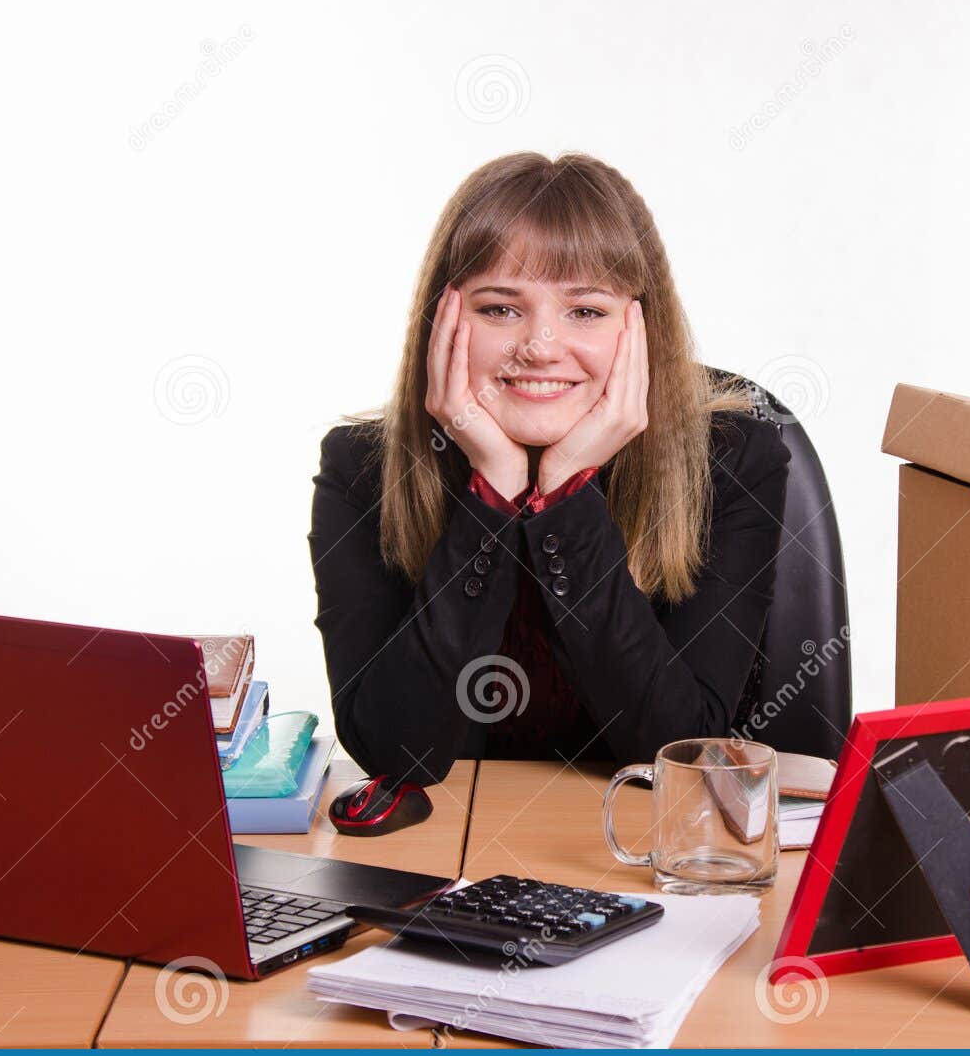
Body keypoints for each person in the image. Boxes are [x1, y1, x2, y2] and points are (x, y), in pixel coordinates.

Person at [308, 151, 790, 787]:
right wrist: (493, 494)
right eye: (499, 309)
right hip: (453, 852)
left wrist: (565, 495)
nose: (539, 347)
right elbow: (398, 755)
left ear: (640, 328)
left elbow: (678, 752)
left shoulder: (733, 462)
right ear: (443, 320)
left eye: (585, 311)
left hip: (643, 855)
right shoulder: (360, 470)